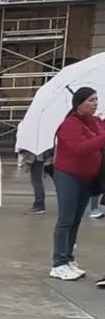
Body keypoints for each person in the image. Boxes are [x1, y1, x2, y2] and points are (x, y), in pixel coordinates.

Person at [50, 86, 105, 282]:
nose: (95, 103)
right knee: (66, 219)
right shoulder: (69, 125)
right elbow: (80, 148)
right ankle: (58, 263)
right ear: (79, 103)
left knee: (76, 220)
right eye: (90, 100)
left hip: (87, 177)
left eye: (96, 99)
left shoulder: (96, 122)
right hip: (68, 176)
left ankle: (68, 258)